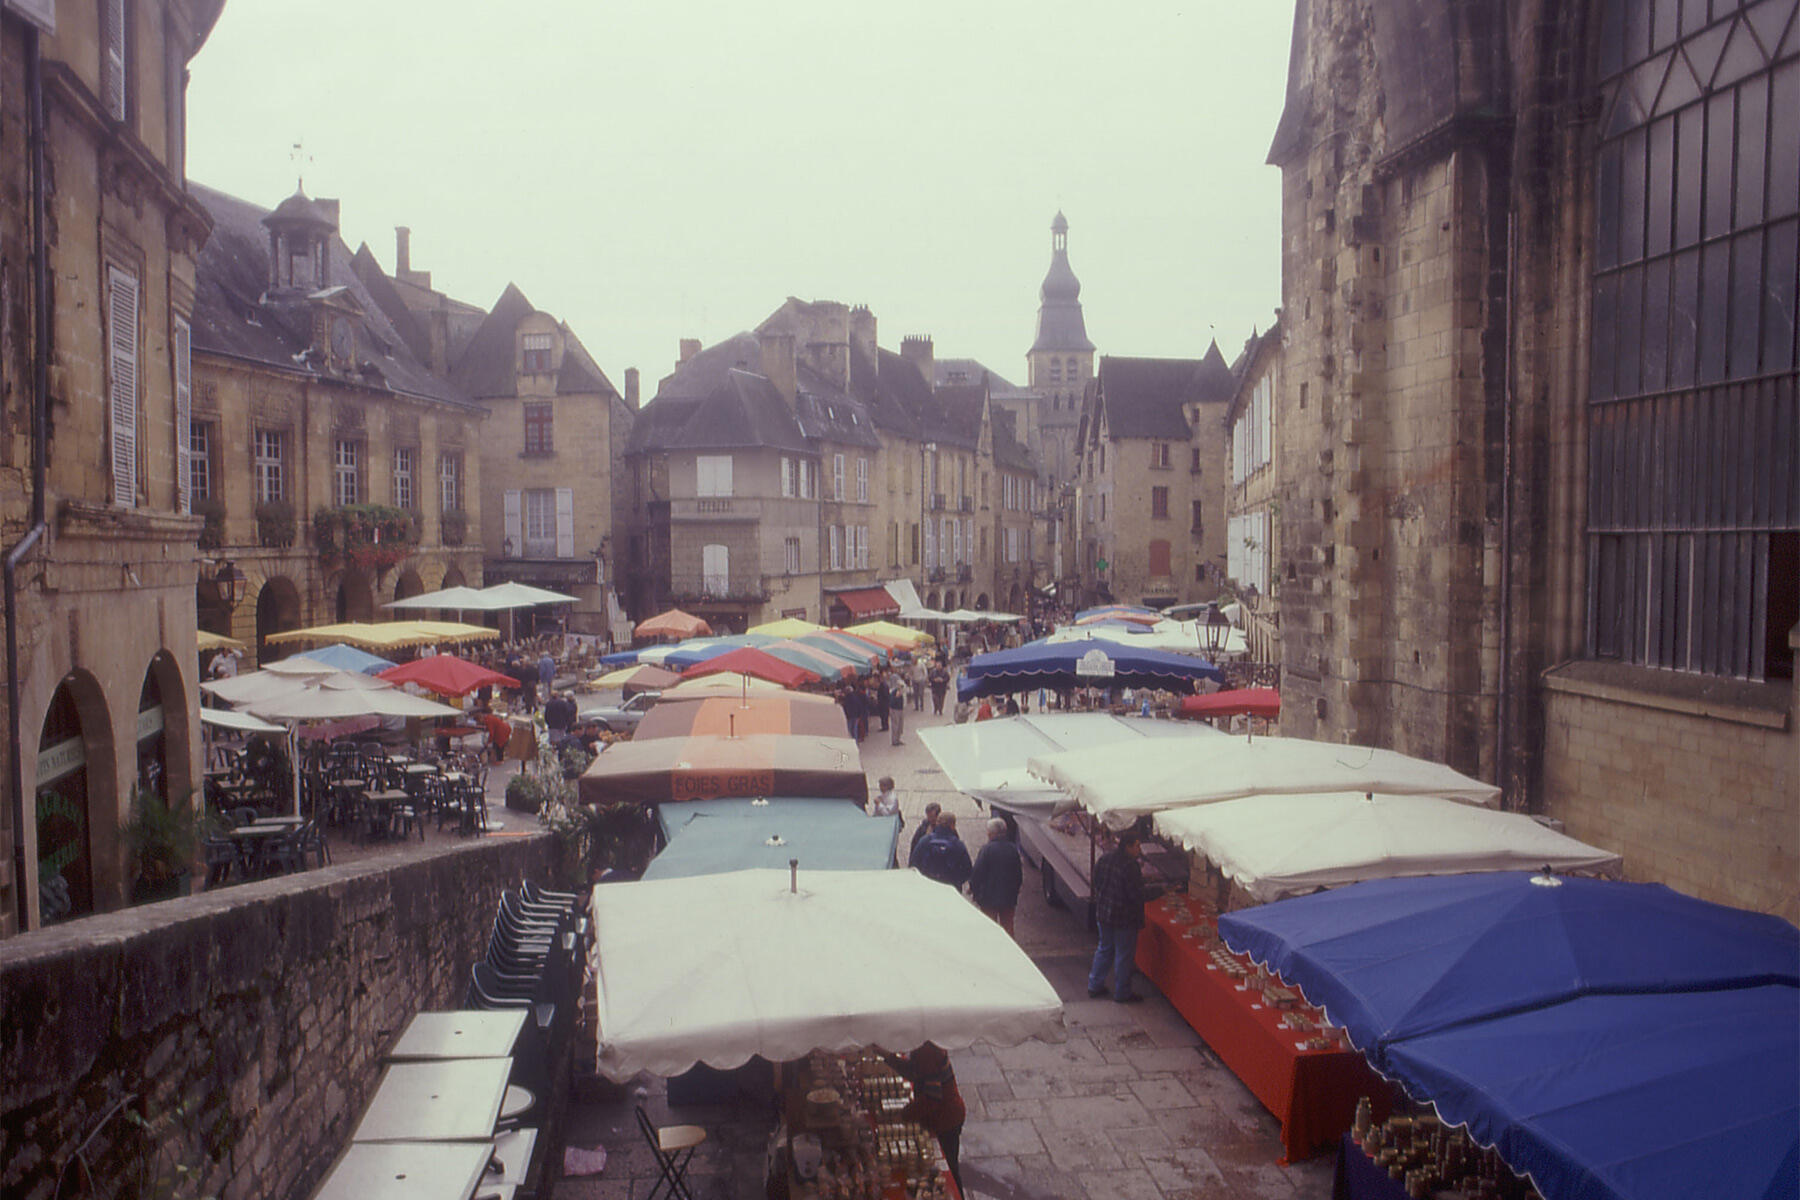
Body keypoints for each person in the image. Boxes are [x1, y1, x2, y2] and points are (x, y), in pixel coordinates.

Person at [877, 1042, 964, 1192]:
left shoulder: (928, 1051)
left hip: (947, 1119)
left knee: (949, 1173)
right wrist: (888, 1057)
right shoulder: (922, 1046)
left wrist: (904, 1115)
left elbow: (932, 1097)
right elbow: (915, 1072)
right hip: (940, 1116)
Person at [1088, 828, 1154, 1003]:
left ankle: (1094, 985)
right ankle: (1122, 993)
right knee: (1124, 956)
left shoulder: (1105, 859)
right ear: (1128, 847)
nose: (1139, 849)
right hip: (1124, 919)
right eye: (1137, 846)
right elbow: (1135, 895)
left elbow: (1096, 881)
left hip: (1104, 913)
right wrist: (1159, 891)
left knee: (1104, 949)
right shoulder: (1130, 866)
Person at [968, 817, 1023, 936]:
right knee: (1008, 927)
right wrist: (1015, 892)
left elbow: (977, 873)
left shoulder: (986, 850)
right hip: (1008, 898)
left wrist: (974, 890)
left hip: (988, 898)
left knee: (989, 929)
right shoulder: (1013, 849)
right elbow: (1018, 874)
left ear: (992, 833)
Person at [915, 813, 971, 890]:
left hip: (928, 887)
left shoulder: (924, 841)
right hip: (951, 888)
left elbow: (914, 863)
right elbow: (967, 870)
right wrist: (957, 881)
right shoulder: (958, 845)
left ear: (937, 823)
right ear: (952, 825)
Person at [888, 674, 906, 745]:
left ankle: (898, 739)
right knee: (895, 725)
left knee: (900, 725)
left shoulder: (902, 693)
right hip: (895, 710)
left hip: (900, 709)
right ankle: (894, 740)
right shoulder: (894, 692)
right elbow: (892, 702)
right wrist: (896, 697)